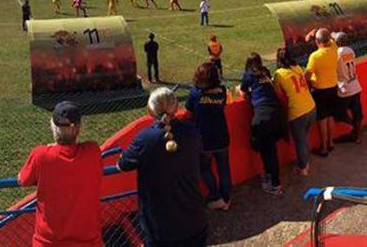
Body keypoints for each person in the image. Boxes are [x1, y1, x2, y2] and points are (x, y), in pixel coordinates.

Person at [118, 88, 208, 246]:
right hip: (194, 221)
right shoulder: (191, 132)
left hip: (161, 229)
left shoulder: (145, 138)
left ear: (150, 111)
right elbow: (203, 161)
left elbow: (122, 165)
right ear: (176, 107)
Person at [18, 102, 102, 247]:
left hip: (48, 242)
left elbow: (22, 180)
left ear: (53, 126)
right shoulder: (93, 151)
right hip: (87, 240)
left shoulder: (40, 155)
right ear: (79, 128)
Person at [186, 62, 231, 210]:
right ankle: (226, 199)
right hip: (222, 136)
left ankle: (216, 197)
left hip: (205, 139)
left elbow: (188, 112)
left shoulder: (195, 93)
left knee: (204, 168)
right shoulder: (222, 91)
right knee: (224, 168)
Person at [240, 53, 285, 195]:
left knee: (265, 149)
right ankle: (272, 178)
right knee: (270, 149)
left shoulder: (248, 75)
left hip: (264, 115)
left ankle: (275, 183)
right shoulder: (265, 71)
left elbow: (242, 91)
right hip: (277, 112)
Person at [273, 47, 316, 176]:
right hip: (311, 107)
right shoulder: (297, 67)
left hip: (298, 112)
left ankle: (303, 167)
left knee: (300, 141)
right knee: (304, 138)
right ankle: (306, 160)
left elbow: (276, 92)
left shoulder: (279, 74)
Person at [305, 28, 339, 156]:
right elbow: (330, 37)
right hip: (333, 87)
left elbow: (307, 75)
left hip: (320, 90)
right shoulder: (334, 48)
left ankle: (323, 147)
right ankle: (331, 142)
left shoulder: (315, 56)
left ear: (317, 41)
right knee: (330, 116)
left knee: (322, 119)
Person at [333, 32, 362, 144]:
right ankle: (356, 135)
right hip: (355, 86)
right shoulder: (350, 50)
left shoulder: (337, 53)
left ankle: (354, 127)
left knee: (338, 114)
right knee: (357, 113)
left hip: (344, 88)